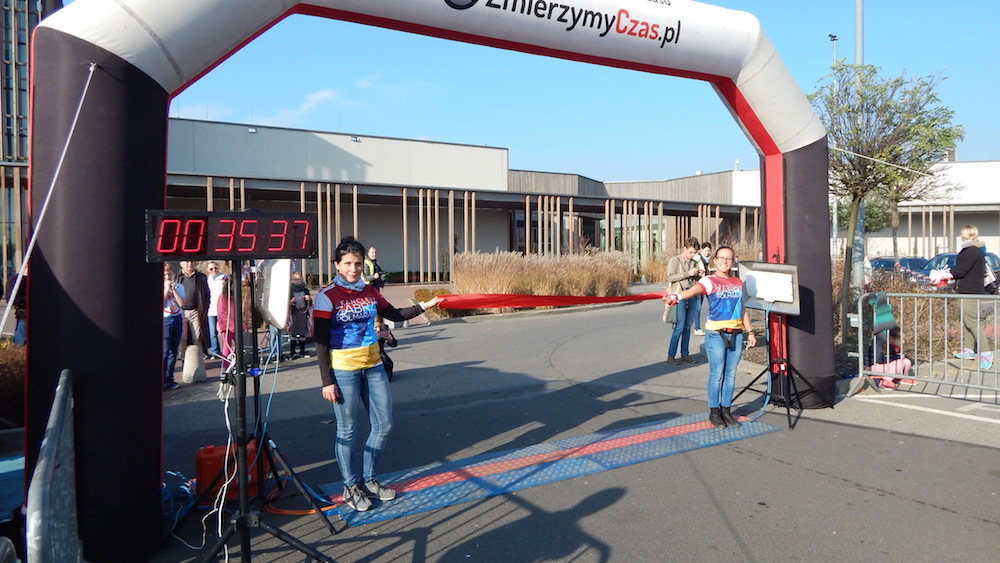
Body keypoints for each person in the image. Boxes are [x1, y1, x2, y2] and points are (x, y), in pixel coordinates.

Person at [313, 236, 441, 512]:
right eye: (348, 263)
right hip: (344, 370)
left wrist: (425, 306)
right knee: (347, 430)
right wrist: (327, 381)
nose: (353, 269)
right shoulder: (326, 296)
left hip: (373, 367)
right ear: (337, 265)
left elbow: (395, 314)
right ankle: (350, 486)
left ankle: (369, 480)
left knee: (384, 426)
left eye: (358, 263)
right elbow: (320, 342)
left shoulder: (370, 291)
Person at [664, 246, 757, 428]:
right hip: (716, 335)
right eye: (721, 257)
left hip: (736, 334)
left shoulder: (737, 282)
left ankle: (726, 411)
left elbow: (742, 309)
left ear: (733, 261)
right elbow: (691, 291)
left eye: (729, 258)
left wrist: (750, 332)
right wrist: (675, 297)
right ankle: (714, 412)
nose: (725, 261)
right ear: (715, 260)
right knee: (717, 374)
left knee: (730, 375)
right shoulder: (709, 280)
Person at [951, 225, 993, 369]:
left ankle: (986, 353)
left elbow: (961, 271)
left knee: (972, 322)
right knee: (966, 321)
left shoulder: (971, 251)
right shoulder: (975, 250)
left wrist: (948, 273)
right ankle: (968, 350)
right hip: (969, 290)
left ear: (964, 236)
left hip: (970, 291)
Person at [665, 237, 702, 365]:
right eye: (690, 252)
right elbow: (670, 277)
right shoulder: (675, 260)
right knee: (679, 327)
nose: (692, 255)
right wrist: (688, 273)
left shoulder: (694, 261)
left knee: (687, 327)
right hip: (679, 296)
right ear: (684, 248)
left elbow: (694, 279)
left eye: (694, 253)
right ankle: (671, 356)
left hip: (692, 296)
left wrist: (698, 275)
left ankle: (685, 354)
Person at [175, 260, 211, 358]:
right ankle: (183, 357)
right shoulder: (177, 277)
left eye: (191, 262)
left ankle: (197, 358)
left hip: (195, 311)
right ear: (181, 264)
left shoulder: (201, 277)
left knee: (197, 336)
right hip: (181, 311)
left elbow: (207, 295)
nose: (189, 264)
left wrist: (204, 308)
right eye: (187, 262)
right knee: (182, 337)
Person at [162, 263, 186, 390]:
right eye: (165, 275)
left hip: (177, 318)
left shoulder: (179, 286)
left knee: (173, 351)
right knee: (165, 351)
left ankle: (169, 379)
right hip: (165, 319)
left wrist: (174, 291)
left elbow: (182, 304)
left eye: (169, 274)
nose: (167, 277)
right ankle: (162, 379)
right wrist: (166, 290)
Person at [215, 276, 237, 376]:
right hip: (226, 326)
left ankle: (235, 363)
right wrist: (231, 325)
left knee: (239, 345)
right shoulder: (222, 297)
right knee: (227, 346)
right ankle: (226, 367)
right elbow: (222, 312)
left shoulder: (233, 296)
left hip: (235, 324)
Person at [288, 271, 312, 358]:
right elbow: (286, 303)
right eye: (295, 279)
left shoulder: (305, 289)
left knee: (302, 332)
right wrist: (291, 302)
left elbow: (310, 304)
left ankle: (302, 351)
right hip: (293, 313)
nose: (297, 281)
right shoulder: (289, 290)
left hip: (303, 312)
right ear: (292, 280)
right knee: (293, 333)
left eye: (299, 279)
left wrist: (309, 299)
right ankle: (292, 351)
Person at [691, 242, 712, 335]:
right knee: (698, 306)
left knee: (713, 304)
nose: (707, 252)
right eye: (705, 250)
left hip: (709, 284)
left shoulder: (711, 260)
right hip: (700, 284)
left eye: (708, 250)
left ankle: (712, 324)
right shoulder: (697, 259)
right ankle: (697, 328)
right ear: (702, 250)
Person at [206, 261, 226, 358]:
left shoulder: (223, 278)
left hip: (222, 308)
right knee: (213, 332)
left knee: (223, 331)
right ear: (208, 270)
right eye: (211, 269)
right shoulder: (207, 280)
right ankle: (215, 352)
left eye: (216, 268)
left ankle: (226, 350)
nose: (214, 270)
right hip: (211, 309)